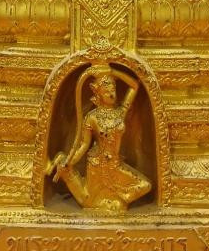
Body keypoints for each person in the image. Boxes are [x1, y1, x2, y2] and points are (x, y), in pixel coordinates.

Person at [46, 64, 152, 212]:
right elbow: (83, 145)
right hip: (97, 164)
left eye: (113, 90)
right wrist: (70, 161)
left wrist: (112, 71)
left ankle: (114, 198)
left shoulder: (120, 113)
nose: (111, 94)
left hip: (115, 165)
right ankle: (66, 172)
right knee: (88, 201)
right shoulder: (92, 117)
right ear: (98, 94)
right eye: (106, 91)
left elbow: (134, 86)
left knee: (145, 186)